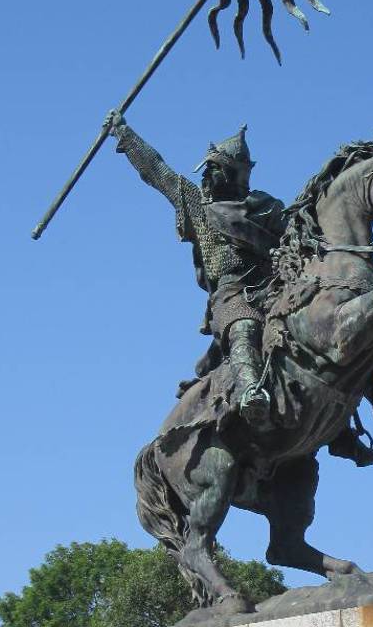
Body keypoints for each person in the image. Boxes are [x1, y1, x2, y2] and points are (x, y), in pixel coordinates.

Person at [106, 111, 283, 425]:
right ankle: (250, 392)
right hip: (232, 297)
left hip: (274, 289)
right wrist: (125, 134)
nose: (207, 176)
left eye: (215, 169)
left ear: (234, 173)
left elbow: (297, 237)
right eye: (207, 170)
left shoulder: (266, 207)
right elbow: (158, 171)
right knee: (244, 328)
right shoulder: (199, 207)